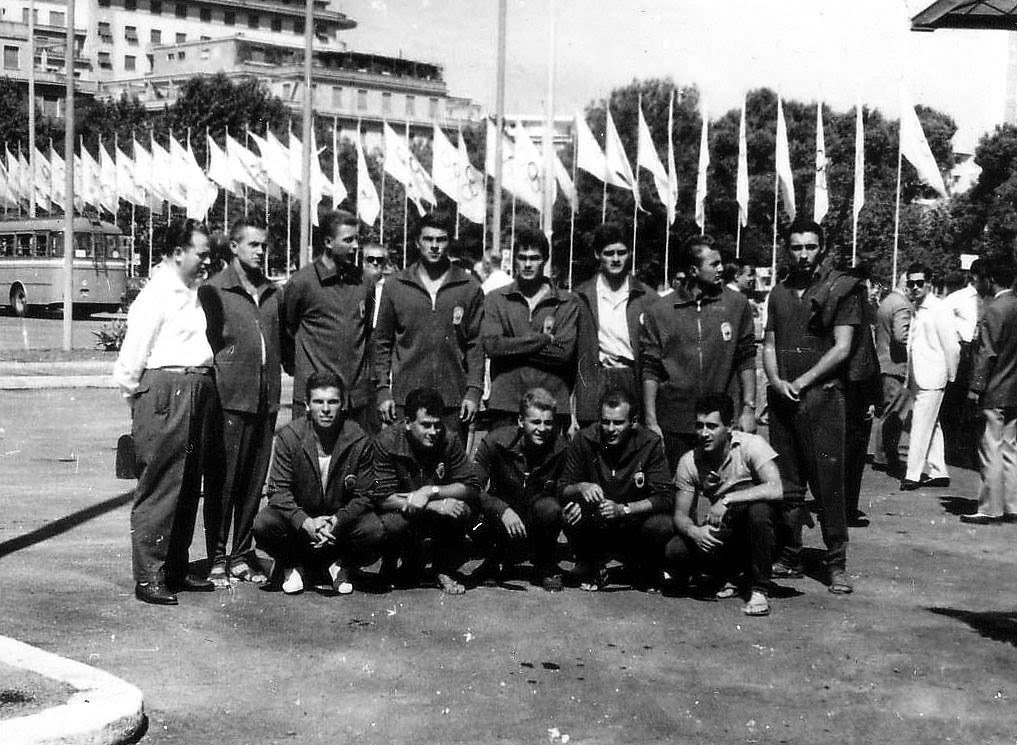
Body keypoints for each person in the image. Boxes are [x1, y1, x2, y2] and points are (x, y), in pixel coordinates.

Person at [112, 217, 219, 605]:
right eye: (201, 254)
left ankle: (175, 567)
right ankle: (149, 576)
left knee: (189, 483)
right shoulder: (157, 294)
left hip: (197, 388)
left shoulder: (192, 291)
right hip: (165, 389)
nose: (207, 262)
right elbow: (131, 359)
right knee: (160, 485)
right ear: (177, 253)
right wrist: (141, 402)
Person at [763, 218, 859, 594]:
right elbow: (769, 344)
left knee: (828, 484)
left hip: (823, 400)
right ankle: (790, 554)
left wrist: (802, 382)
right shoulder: (778, 292)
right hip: (783, 399)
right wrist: (775, 380)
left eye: (811, 247)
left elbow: (842, 347)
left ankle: (836, 562)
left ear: (822, 248)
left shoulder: (840, 289)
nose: (804, 255)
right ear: (787, 249)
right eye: (797, 247)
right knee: (787, 484)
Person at [199, 217, 282, 587]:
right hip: (229, 402)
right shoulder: (213, 291)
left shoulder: (272, 293)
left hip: (265, 403)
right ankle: (217, 556)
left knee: (253, 484)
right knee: (223, 483)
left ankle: (242, 553)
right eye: (253, 245)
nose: (261, 252)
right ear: (233, 247)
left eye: (264, 246)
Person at [253, 373, 382, 596]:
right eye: (318, 402)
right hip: (302, 525)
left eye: (332, 402)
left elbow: (365, 494)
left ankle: (341, 565)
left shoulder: (358, 439)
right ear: (307, 406)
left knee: (374, 530)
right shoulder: (290, 436)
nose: (325, 409)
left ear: (343, 405)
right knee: (264, 523)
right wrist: (306, 522)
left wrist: (337, 520)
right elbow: (278, 492)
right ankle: (293, 565)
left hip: (338, 526)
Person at [642, 234, 757, 470]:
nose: (722, 269)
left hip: (722, 422)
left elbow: (746, 359)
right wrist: (652, 421)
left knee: (731, 497)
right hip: (675, 423)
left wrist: (748, 409)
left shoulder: (737, 304)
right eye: (714, 264)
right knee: (679, 497)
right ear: (693, 271)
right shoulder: (660, 311)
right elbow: (650, 370)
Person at [664, 394, 783, 616]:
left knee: (759, 512)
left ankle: (759, 589)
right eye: (699, 426)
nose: (704, 434)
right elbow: (680, 515)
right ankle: (729, 574)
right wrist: (695, 531)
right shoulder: (689, 461)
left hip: (766, 530)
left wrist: (727, 500)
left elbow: (776, 488)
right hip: (728, 529)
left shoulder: (751, 445)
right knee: (675, 550)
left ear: (729, 427)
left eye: (711, 426)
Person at [374, 213, 484, 442]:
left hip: (453, 402)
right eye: (428, 239)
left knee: (450, 472)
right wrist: (383, 390)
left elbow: (475, 344)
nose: (434, 246)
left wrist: (474, 391)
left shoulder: (469, 286)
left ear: (449, 242)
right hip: (406, 400)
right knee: (405, 470)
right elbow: (382, 341)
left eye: (441, 240)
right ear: (417, 242)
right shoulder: (396, 285)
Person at [558, 387, 674, 592]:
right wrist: (581, 487)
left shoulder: (650, 443)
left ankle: (643, 566)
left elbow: (664, 497)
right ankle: (589, 563)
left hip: (633, 521)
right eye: (605, 421)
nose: (610, 429)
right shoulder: (584, 438)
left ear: (634, 421)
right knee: (570, 511)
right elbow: (563, 487)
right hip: (597, 518)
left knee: (661, 524)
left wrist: (624, 509)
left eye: (618, 423)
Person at [373, 387, 482, 595]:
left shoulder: (449, 440)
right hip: (402, 510)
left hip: (432, 510)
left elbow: (471, 485)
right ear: (407, 423)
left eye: (437, 425)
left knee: (464, 508)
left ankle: (443, 568)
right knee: (389, 523)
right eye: (425, 425)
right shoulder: (386, 442)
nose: (433, 432)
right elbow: (380, 496)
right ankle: (390, 564)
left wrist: (432, 491)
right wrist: (432, 504)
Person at [282, 210, 374, 426]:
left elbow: (367, 332)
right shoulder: (302, 283)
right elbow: (287, 330)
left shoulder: (364, 281)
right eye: (348, 240)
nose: (355, 247)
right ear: (328, 242)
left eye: (357, 240)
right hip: (317, 399)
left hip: (355, 400)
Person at [481, 228, 579, 432]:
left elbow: (563, 353)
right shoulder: (496, 299)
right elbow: (493, 346)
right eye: (522, 258)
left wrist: (512, 347)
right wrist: (543, 340)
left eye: (534, 258)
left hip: (551, 405)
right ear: (514, 259)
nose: (527, 264)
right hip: (506, 404)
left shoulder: (566, 302)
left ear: (545, 260)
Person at [472, 388, 569, 591]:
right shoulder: (494, 441)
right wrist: (501, 509)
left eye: (548, 423)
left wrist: (573, 502)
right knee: (469, 510)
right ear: (520, 421)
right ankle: (494, 559)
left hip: (536, 516)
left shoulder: (561, 448)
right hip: (503, 516)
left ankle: (545, 564)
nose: (542, 429)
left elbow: (570, 484)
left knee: (551, 509)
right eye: (535, 422)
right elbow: (471, 486)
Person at [573, 223, 656, 428]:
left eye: (622, 252)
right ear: (597, 255)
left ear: (630, 253)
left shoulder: (647, 297)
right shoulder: (581, 296)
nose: (616, 259)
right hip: (597, 377)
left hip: (631, 377)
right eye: (609, 253)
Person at [963, 259, 1017, 524]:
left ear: (990, 279)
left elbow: (986, 354)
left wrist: (975, 387)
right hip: (1015, 389)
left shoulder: (994, 310)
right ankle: (1012, 505)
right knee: (1011, 448)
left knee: (990, 448)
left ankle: (989, 507)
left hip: (994, 390)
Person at [900, 263, 960, 491]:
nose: (914, 287)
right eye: (911, 283)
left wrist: (950, 376)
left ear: (929, 283)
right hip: (918, 375)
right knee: (931, 424)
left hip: (933, 377)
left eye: (919, 283)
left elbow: (952, 347)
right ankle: (938, 471)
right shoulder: (918, 307)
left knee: (919, 424)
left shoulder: (939, 308)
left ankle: (912, 475)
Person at [869, 275, 913, 476]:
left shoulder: (887, 301)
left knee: (886, 411)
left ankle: (882, 455)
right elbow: (901, 335)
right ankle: (887, 456)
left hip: (883, 362)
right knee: (894, 413)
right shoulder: (902, 305)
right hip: (895, 364)